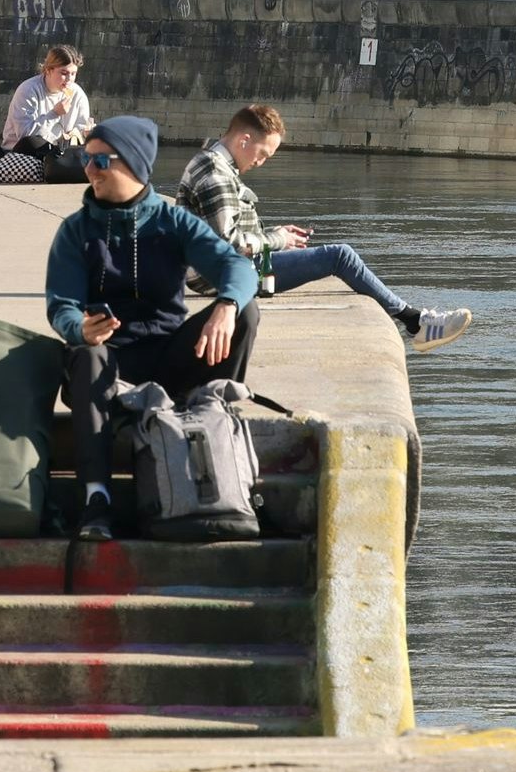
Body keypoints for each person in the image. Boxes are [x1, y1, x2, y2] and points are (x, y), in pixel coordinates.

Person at [45, 116, 257, 542]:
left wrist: (227, 305)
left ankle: (210, 427)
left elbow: (236, 266)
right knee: (86, 355)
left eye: (100, 161)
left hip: (168, 358)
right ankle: (96, 499)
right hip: (109, 363)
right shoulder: (75, 231)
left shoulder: (172, 221)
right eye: (85, 159)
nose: (89, 170)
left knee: (246, 313)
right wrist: (80, 328)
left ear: (135, 164)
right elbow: (61, 306)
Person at [174, 103, 472, 350]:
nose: (261, 162)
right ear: (244, 140)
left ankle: (415, 321)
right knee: (339, 256)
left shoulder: (211, 162)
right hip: (222, 276)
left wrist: (275, 235)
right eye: (262, 154)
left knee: (328, 255)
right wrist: (277, 239)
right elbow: (228, 243)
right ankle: (416, 323)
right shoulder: (216, 175)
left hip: (220, 270)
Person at [0, 43, 95, 183]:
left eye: (73, 74)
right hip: (23, 154)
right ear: (48, 70)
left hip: (59, 155)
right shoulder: (28, 90)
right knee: (33, 142)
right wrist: (54, 114)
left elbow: (79, 133)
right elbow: (25, 135)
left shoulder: (77, 94)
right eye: (64, 73)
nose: (69, 80)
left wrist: (88, 134)